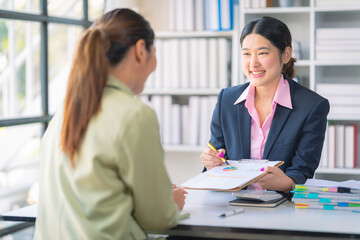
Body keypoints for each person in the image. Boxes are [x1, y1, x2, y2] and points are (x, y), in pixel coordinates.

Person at [34, 8, 187, 240]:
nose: (155, 63)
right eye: (154, 52)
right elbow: (158, 219)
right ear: (140, 50)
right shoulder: (134, 115)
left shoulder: (65, 112)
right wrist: (170, 203)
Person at [200, 16, 329, 192]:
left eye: (262, 53)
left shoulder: (312, 106)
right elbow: (218, 155)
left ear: (285, 54)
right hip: (232, 204)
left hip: (282, 208)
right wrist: (211, 163)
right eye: (246, 54)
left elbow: (302, 171)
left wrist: (287, 183)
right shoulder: (226, 100)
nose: (253, 63)